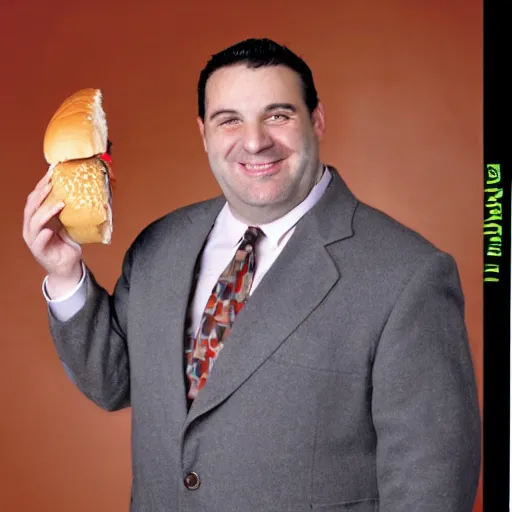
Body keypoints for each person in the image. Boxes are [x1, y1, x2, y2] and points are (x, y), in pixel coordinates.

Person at [23, 38, 481, 512]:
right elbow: (114, 383)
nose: (256, 140)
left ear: (316, 119)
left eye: (278, 115)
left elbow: (433, 484)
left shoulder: (407, 275)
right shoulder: (160, 246)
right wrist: (65, 274)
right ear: (204, 133)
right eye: (229, 120)